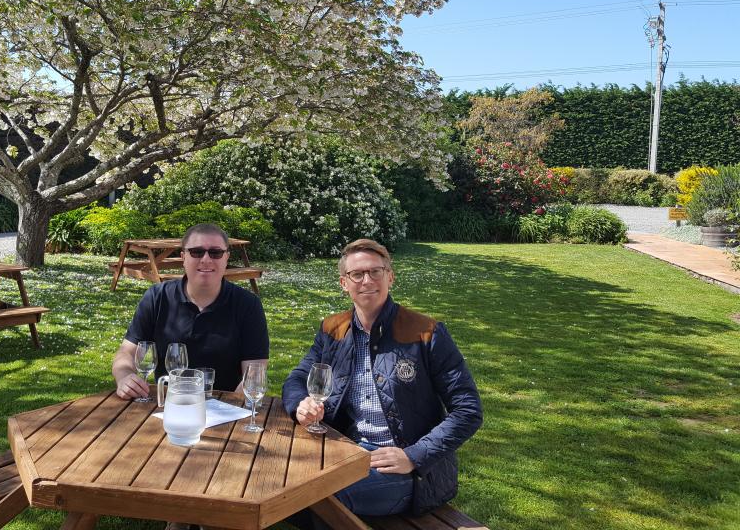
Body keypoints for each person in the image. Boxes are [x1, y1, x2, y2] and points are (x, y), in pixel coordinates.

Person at [282, 239, 483, 523]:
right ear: (344, 283)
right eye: (357, 274)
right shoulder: (332, 329)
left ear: (390, 277)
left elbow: (468, 410)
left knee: (319, 497)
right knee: (281, 482)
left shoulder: (426, 332)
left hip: (409, 472)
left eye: (376, 272)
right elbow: (298, 377)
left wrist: (413, 456)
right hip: (345, 451)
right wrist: (299, 405)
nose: (367, 280)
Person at [112, 223, 269, 399]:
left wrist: (229, 409)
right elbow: (126, 352)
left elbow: (254, 372)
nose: (206, 259)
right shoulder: (157, 297)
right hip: (167, 405)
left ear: (226, 258)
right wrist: (125, 377)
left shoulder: (248, 305)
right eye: (197, 252)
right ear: (183, 257)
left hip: (224, 409)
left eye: (215, 253)